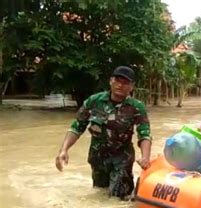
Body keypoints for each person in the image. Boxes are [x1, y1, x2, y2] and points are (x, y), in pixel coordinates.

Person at [55, 66, 152, 200]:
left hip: (121, 159)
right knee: (99, 195)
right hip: (98, 158)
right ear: (110, 81)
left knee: (118, 199)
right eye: (117, 80)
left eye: (125, 83)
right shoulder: (94, 101)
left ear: (132, 87)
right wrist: (63, 150)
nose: (120, 85)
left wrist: (145, 157)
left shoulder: (136, 107)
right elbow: (77, 127)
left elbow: (144, 134)